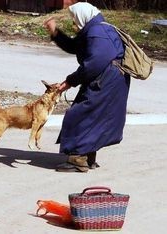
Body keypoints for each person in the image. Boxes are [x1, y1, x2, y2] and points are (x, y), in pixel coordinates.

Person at [44, 2, 130, 172]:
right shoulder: (94, 29)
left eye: (74, 19)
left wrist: (70, 81)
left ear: (83, 17)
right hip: (107, 79)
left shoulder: (97, 33)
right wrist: (55, 32)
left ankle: (78, 159)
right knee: (94, 116)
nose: (73, 23)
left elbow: (95, 63)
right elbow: (73, 46)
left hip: (106, 80)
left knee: (80, 114)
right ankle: (88, 156)